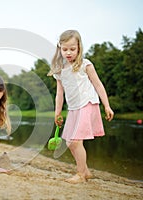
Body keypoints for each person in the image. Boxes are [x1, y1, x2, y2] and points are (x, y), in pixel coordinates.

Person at [47, 30, 114, 183]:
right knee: (70, 142)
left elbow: (98, 84)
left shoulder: (85, 64)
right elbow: (59, 94)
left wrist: (107, 106)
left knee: (76, 141)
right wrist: (57, 113)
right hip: (73, 108)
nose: (68, 52)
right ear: (60, 49)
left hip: (87, 104)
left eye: (72, 49)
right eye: (65, 49)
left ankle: (80, 175)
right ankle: (86, 171)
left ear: (79, 48)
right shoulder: (60, 70)